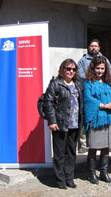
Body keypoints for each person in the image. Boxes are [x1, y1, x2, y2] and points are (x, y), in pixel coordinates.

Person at [43, 59, 84, 189]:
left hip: (75, 124)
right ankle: (60, 180)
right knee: (60, 153)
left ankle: (69, 178)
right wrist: (52, 121)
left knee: (71, 153)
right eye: (68, 68)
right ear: (62, 69)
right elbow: (48, 103)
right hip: (60, 124)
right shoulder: (56, 84)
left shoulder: (78, 84)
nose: (71, 71)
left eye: (73, 69)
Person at [83, 56, 111, 184]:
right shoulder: (88, 83)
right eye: (98, 68)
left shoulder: (107, 82)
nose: (100, 71)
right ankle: (91, 173)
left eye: (102, 69)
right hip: (96, 119)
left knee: (106, 147)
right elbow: (88, 99)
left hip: (108, 118)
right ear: (93, 68)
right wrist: (104, 105)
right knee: (93, 147)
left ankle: (104, 173)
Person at [77, 39, 111, 153]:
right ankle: (83, 144)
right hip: (88, 89)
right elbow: (79, 74)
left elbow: (109, 73)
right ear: (88, 47)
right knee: (87, 117)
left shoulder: (105, 60)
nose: (93, 48)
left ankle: (107, 143)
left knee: (105, 117)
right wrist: (92, 79)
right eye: (91, 46)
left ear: (99, 48)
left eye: (96, 46)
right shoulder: (83, 60)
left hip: (103, 92)